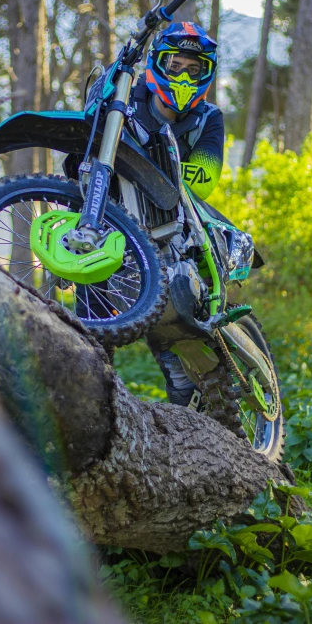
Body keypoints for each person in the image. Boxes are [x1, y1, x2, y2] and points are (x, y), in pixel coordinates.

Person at [131, 21, 224, 408]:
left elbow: (203, 178)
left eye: (194, 69)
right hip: (121, 211)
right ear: (158, 64)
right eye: (176, 66)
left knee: (178, 304)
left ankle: (182, 362)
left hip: (181, 219)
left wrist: (156, 163)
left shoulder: (208, 117)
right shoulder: (126, 97)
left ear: (206, 72)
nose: (184, 75)